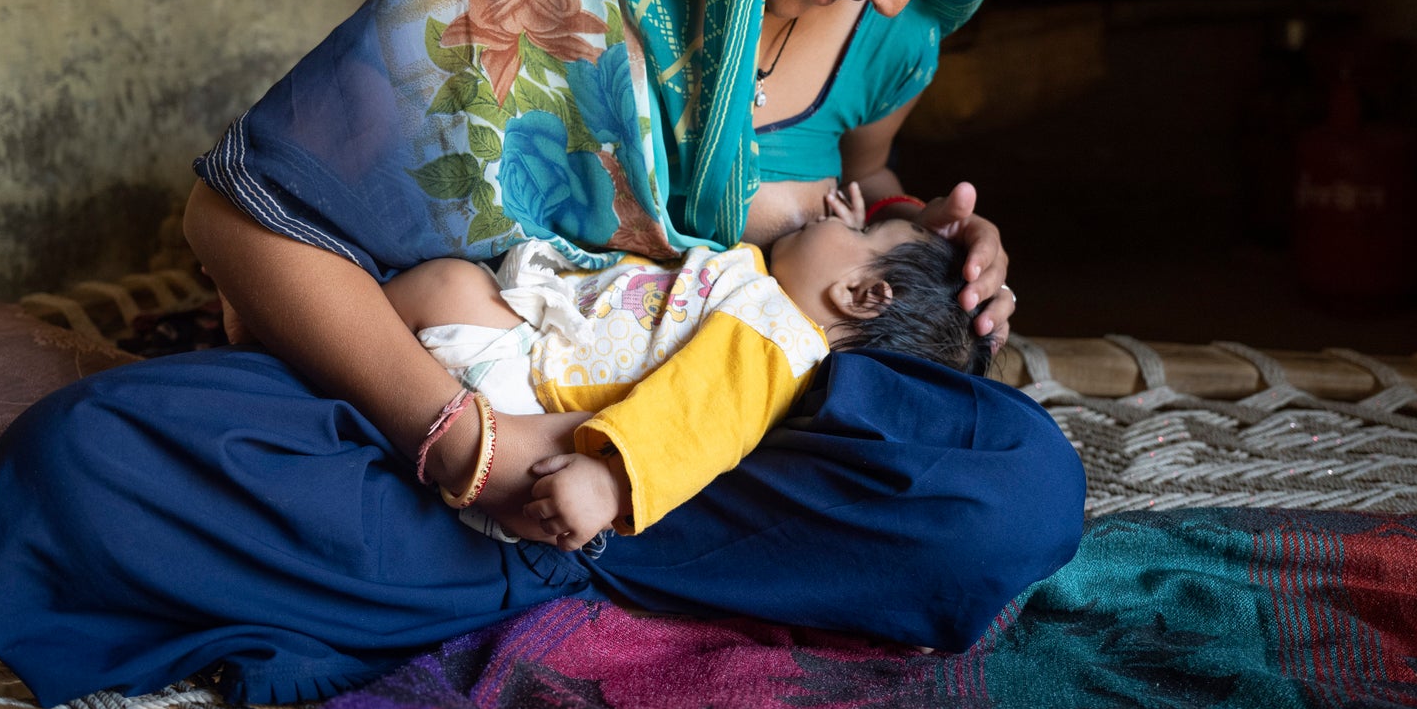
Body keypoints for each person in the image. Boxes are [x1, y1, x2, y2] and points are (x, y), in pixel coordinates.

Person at [0, 0, 1085, 705]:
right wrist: (476, 446)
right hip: (463, 397)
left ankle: (514, 561)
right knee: (85, 458)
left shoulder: (892, 35)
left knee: (1018, 489)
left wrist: (933, 231)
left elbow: (873, 187)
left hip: (722, 442)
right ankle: (547, 553)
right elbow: (236, 226)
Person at [374, 183, 987, 547]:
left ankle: (336, 330)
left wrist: (610, 484)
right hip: (538, 356)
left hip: (529, 397)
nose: (837, 218)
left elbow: (701, 421)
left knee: (447, 288)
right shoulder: (771, 305)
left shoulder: (779, 343)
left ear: (861, 294)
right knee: (450, 292)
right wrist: (851, 240)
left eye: (863, 234)